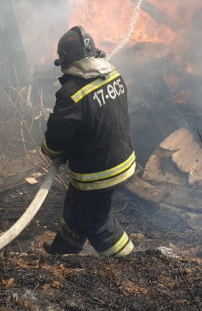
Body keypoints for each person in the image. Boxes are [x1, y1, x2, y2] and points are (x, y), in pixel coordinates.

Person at [41, 25, 136, 257]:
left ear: (65, 60)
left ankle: (130, 262)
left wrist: (50, 149)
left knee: (97, 222)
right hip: (120, 157)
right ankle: (63, 251)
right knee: (75, 204)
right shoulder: (113, 73)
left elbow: (57, 137)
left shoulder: (72, 93)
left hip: (98, 171)